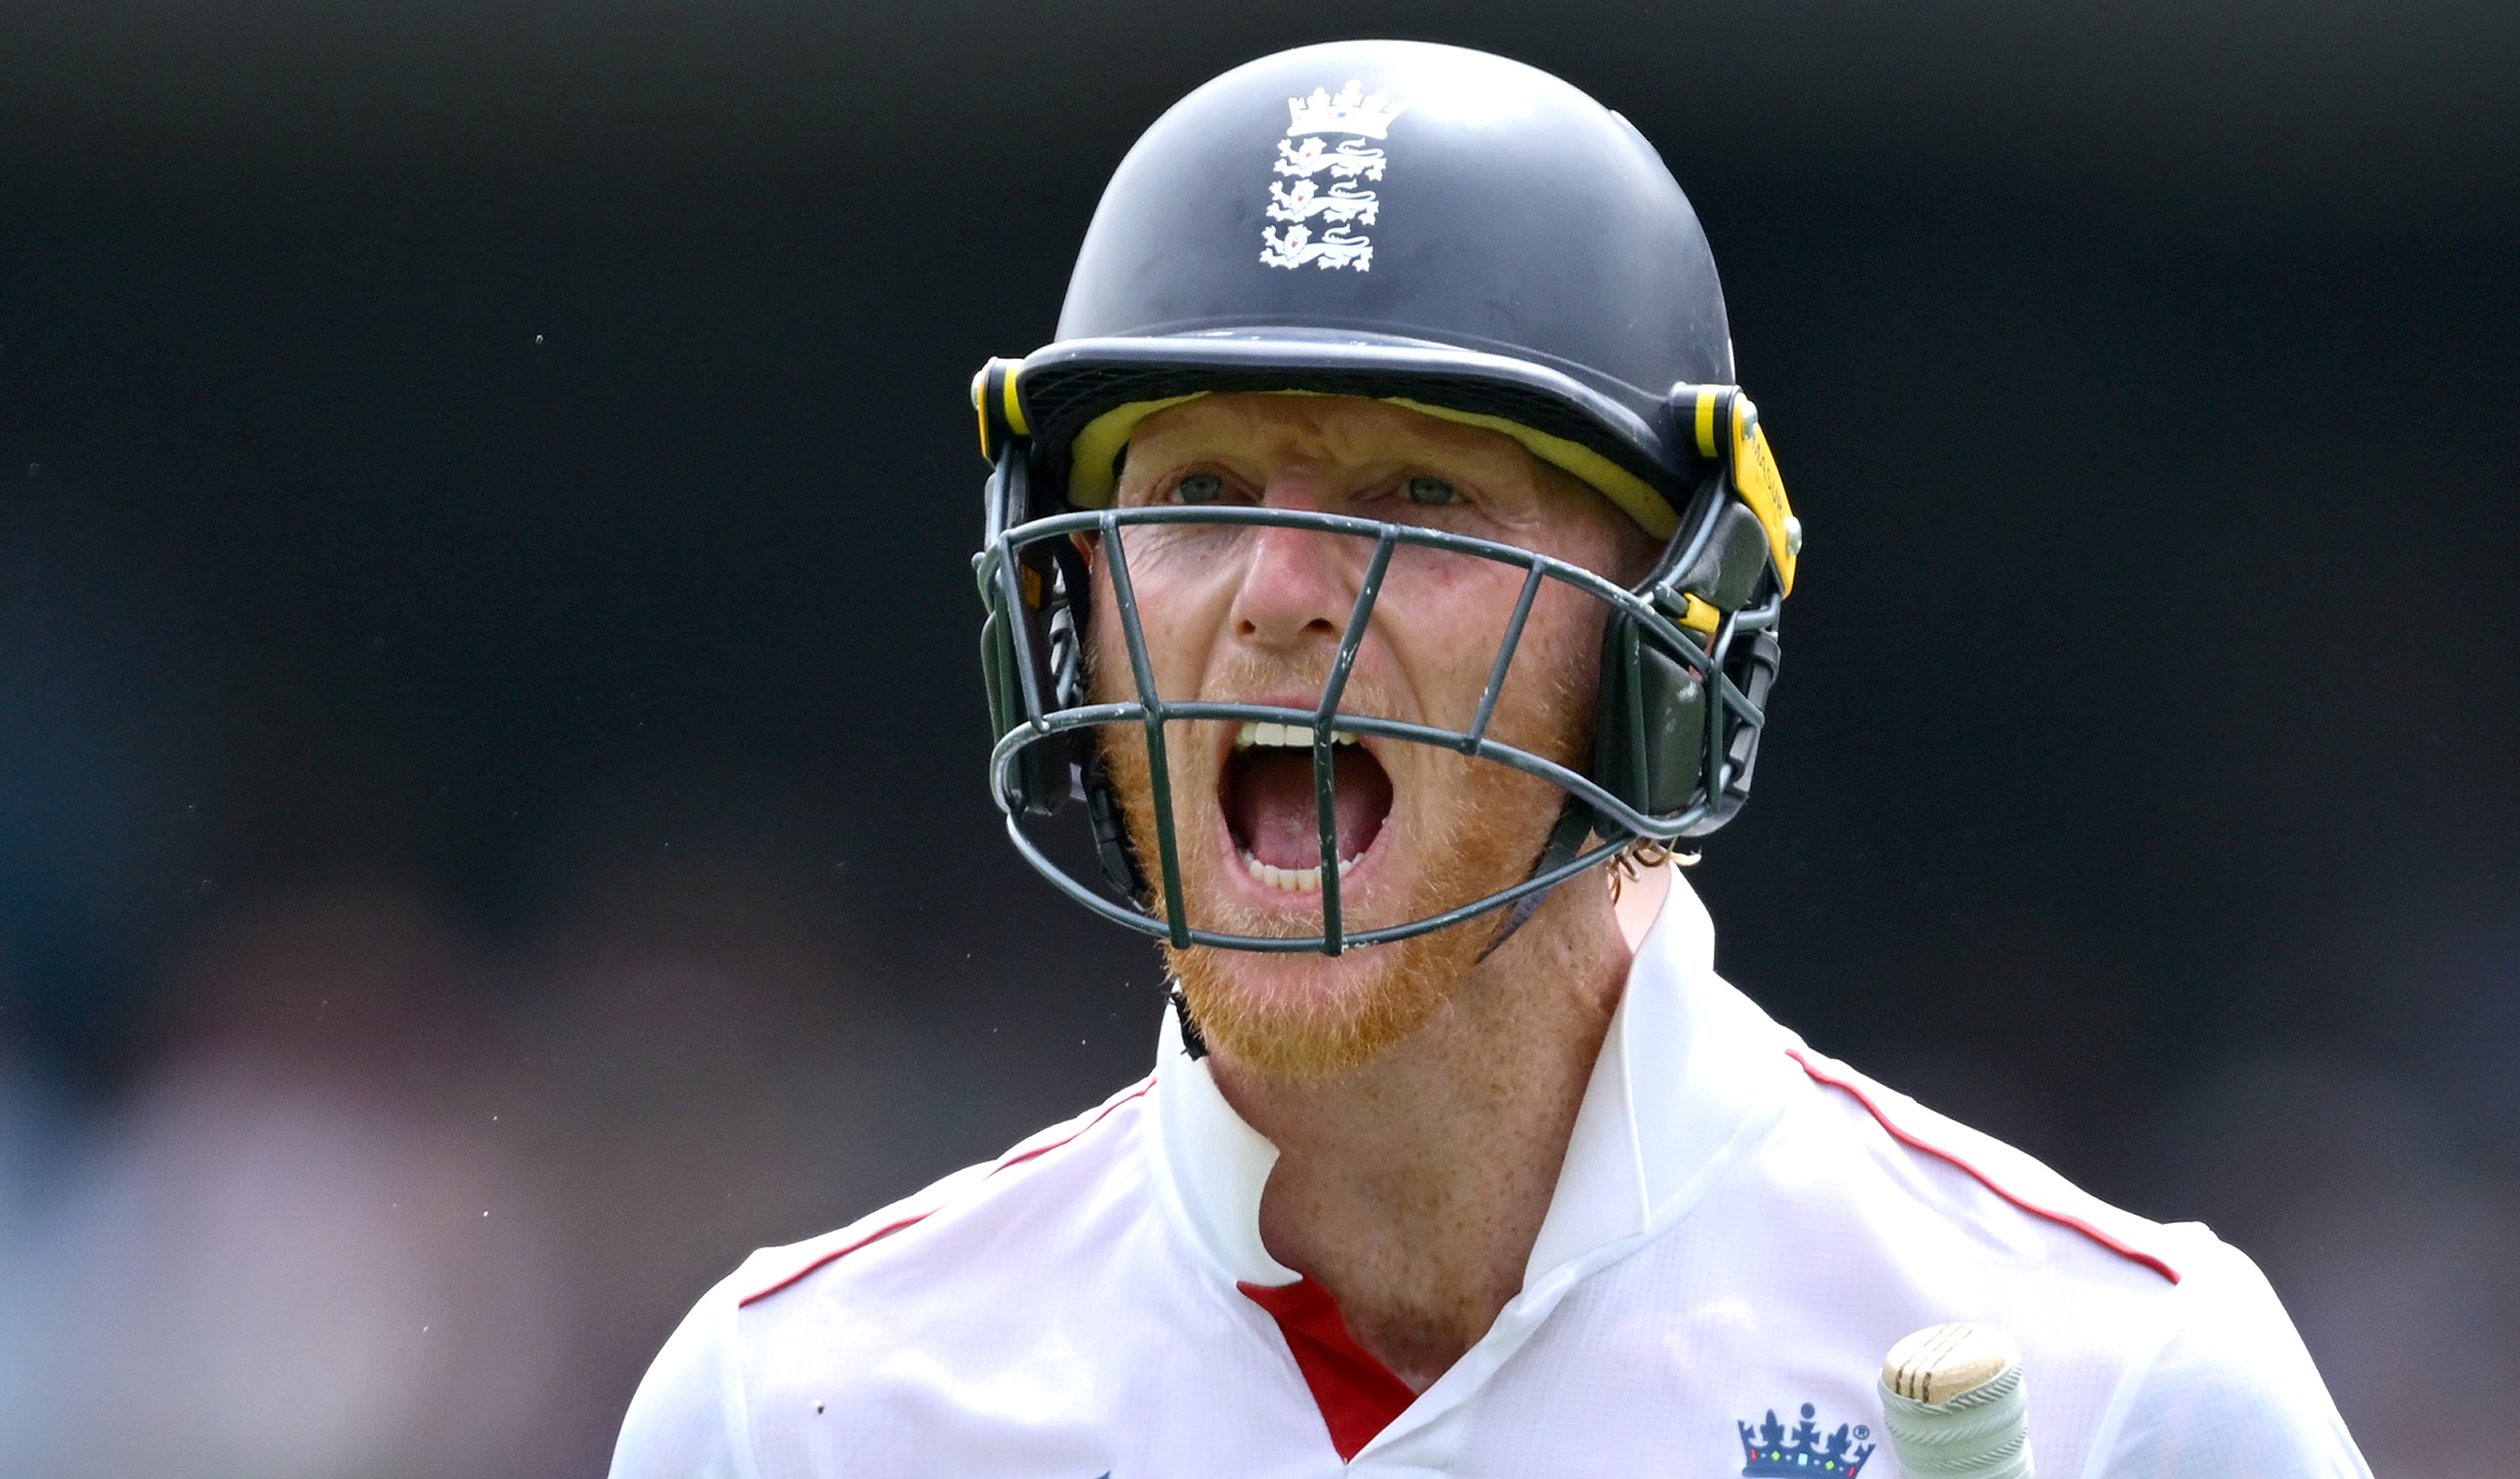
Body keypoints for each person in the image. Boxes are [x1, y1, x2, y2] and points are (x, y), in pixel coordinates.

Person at [610, 39, 2370, 1478]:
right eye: (1199, 492)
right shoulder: (796, 1420)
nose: (1280, 594)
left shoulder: (2126, 1394)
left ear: (1668, 630)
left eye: (1422, 494)